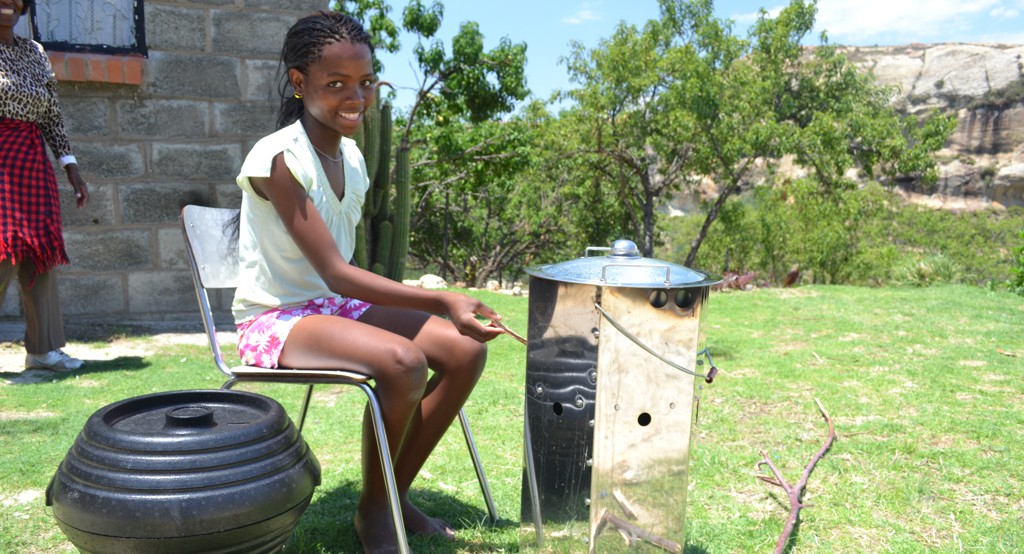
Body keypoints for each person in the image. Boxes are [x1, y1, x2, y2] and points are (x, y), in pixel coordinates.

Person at [231, 11, 506, 553]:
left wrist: (443, 310)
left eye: (365, 81)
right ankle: (376, 512)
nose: (356, 97)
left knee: (464, 350)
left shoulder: (352, 156)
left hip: (330, 307)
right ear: (298, 82)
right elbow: (337, 272)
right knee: (403, 362)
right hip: (276, 320)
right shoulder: (278, 158)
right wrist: (441, 298)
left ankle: (391, 495)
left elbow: (339, 278)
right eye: (336, 83)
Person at [0, 0, 89, 372]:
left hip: (32, 159)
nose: (8, 3)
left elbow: (51, 112)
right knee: (2, 250)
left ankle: (43, 349)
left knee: (40, 252)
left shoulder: (34, 51)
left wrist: (70, 166)